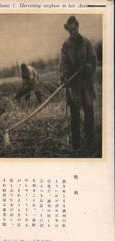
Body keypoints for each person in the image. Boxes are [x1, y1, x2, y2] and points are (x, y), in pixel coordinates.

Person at [59, 16, 97, 149]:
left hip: (85, 82)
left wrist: (86, 67)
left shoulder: (86, 43)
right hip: (73, 84)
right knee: (74, 114)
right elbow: (63, 63)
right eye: (70, 31)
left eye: (74, 30)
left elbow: (93, 61)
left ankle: (90, 138)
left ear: (77, 27)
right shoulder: (66, 45)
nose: (72, 33)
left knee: (89, 110)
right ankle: (76, 144)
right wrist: (64, 77)